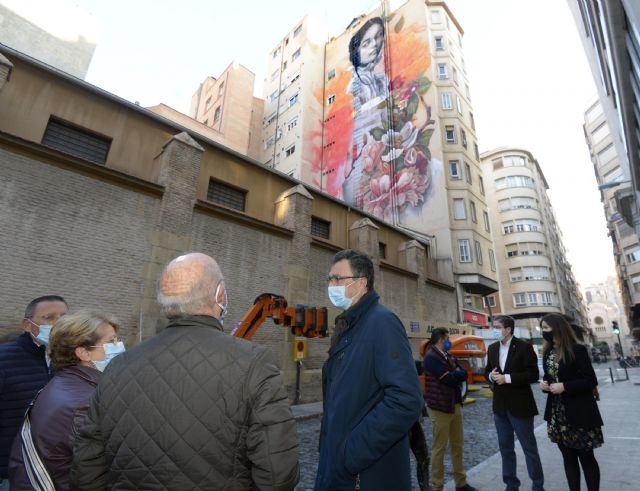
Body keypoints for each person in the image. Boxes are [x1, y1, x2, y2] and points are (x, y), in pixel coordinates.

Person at [71, 252, 299, 490]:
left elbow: (87, 464)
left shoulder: (118, 366)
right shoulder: (255, 362)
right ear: (220, 294)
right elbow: (277, 472)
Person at [314, 249, 423, 490]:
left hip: (367, 474)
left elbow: (406, 399)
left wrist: (351, 453)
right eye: (329, 279)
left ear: (361, 283)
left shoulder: (382, 323)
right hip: (338, 470)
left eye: (337, 279)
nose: (331, 285)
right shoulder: (349, 325)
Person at [8, 311, 123, 490]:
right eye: (111, 341)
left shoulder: (64, 383)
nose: (120, 346)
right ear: (84, 353)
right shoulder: (86, 402)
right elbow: (100, 470)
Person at [0, 295, 68, 490]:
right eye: (49, 317)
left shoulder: (71, 361)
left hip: (54, 473)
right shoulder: (4, 360)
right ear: (27, 325)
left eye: (63, 317)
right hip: (10, 474)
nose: (58, 323)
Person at [540, 313, 603, 491]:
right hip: (558, 414)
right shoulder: (548, 352)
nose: (543, 332)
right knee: (568, 457)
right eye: (542, 328)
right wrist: (545, 384)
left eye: (546, 328)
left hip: (580, 412)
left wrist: (565, 386)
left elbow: (590, 380)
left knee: (586, 457)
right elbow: (551, 376)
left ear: (557, 328)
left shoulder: (577, 349)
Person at [485, 315, 544, 491]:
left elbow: (533, 374)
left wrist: (507, 378)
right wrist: (491, 376)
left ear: (508, 329)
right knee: (505, 447)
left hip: (520, 406)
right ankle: (511, 484)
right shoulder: (493, 348)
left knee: (529, 449)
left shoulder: (524, 347)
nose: (494, 330)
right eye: (493, 327)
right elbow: (487, 370)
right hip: (500, 407)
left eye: (497, 327)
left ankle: (538, 485)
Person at [423, 328, 476, 491]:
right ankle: (437, 486)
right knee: (439, 448)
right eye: (447, 338)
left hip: (454, 405)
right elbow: (449, 380)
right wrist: (456, 375)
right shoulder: (431, 358)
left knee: (457, 444)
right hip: (439, 407)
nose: (449, 341)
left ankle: (461, 482)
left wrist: (456, 374)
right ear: (440, 340)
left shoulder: (450, 356)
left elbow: (464, 373)